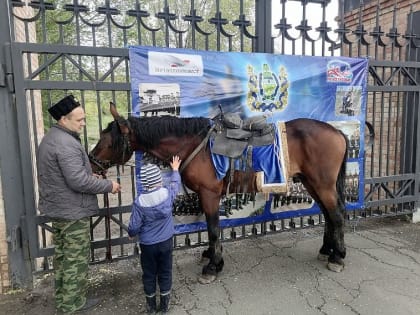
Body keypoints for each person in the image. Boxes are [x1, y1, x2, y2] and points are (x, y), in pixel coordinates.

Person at [36, 95, 121, 313]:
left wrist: (94, 179)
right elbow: (77, 181)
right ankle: (72, 306)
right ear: (63, 119)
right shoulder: (66, 144)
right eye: (79, 120)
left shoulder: (52, 138)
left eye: (83, 119)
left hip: (61, 209)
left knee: (64, 258)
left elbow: (72, 175)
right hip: (72, 212)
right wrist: (108, 185)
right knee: (75, 261)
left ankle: (66, 300)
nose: (83, 123)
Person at [128, 156, 182, 313]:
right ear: (159, 180)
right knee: (165, 272)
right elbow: (175, 184)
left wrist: (132, 233)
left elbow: (134, 225)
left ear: (144, 184)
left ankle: (151, 306)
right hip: (166, 242)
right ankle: (164, 305)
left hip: (148, 245)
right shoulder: (167, 194)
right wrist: (175, 170)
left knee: (149, 274)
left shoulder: (139, 202)